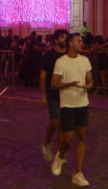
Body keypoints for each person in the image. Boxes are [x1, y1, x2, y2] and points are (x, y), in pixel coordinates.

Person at [50, 33, 93, 187]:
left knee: (81, 136)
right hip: (67, 104)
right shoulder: (61, 62)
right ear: (70, 44)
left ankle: (78, 173)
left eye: (82, 41)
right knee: (67, 138)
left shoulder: (85, 60)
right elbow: (54, 84)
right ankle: (60, 156)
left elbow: (89, 79)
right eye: (78, 41)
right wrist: (69, 84)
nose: (82, 43)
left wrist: (88, 85)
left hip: (82, 103)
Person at [40, 29, 68, 161]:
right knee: (55, 121)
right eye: (62, 37)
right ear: (56, 40)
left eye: (65, 37)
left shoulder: (69, 55)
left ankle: (59, 153)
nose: (65, 39)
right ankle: (47, 143)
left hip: (67, 94)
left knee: (63, 124)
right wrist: (43, 94)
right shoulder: (50, 56)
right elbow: (43, 75)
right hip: (53, 93)